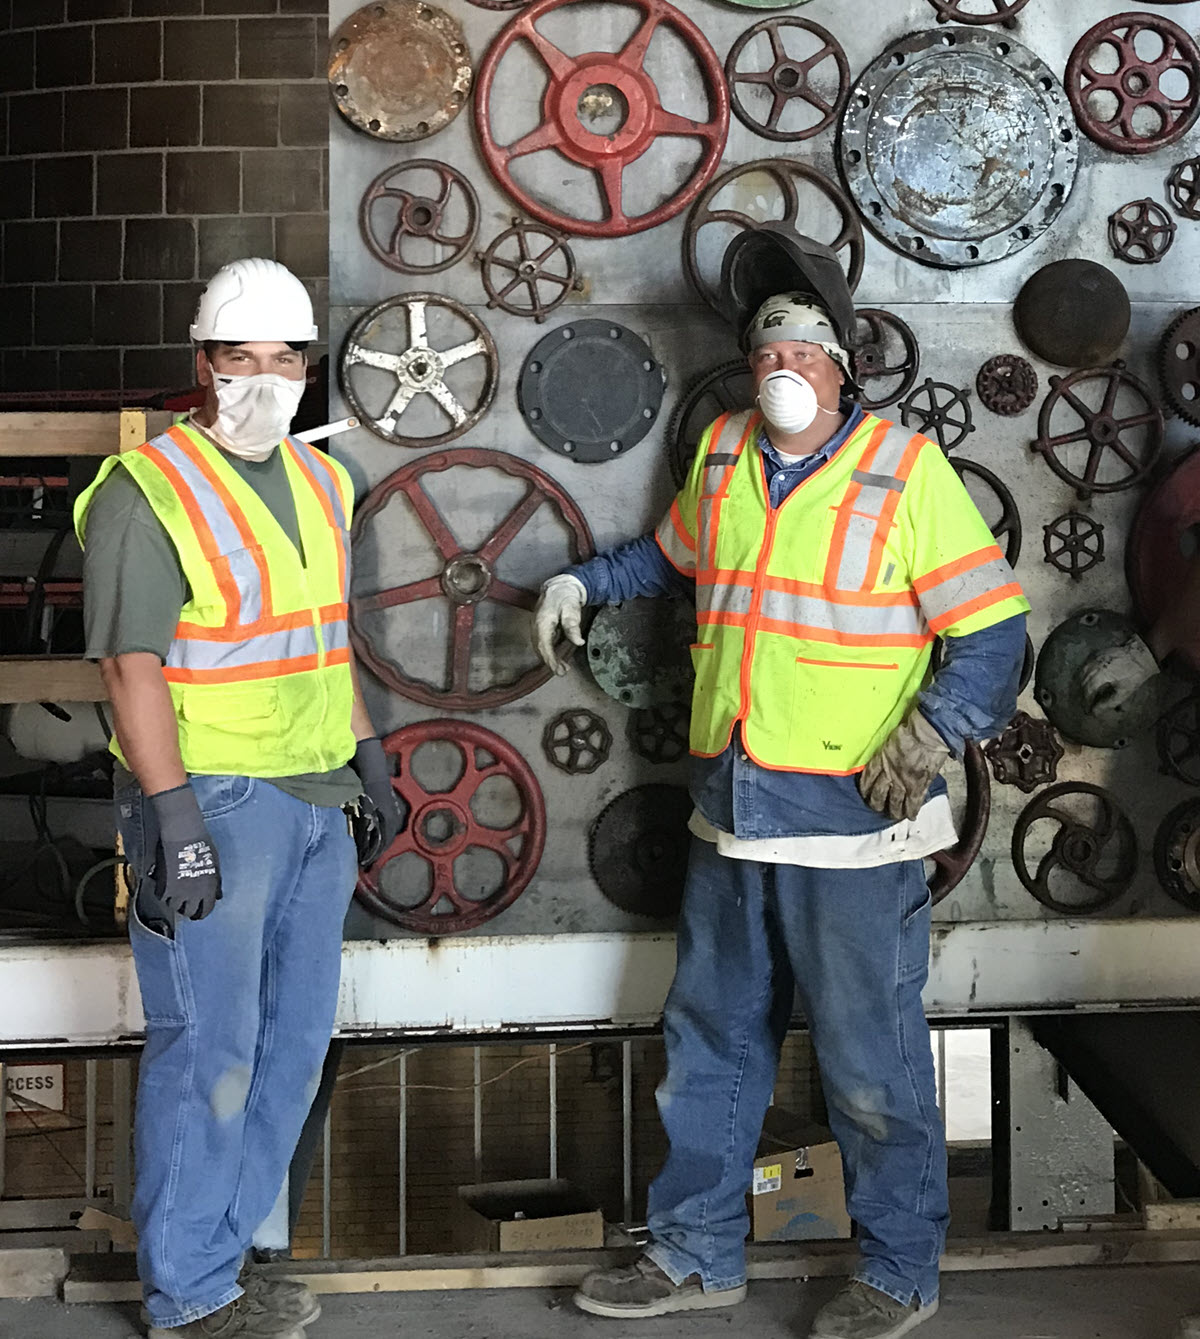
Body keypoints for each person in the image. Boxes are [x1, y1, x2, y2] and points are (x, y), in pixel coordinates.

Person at [532, 232, 1030, 1339]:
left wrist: (937, 731)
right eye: (766, 351)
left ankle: (899, 1271)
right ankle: (695, 1253)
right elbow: (671, 562)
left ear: (842, 366)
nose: (781, 370)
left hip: (854, 831)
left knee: (869, 1068)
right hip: (734, 812)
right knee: (708, 1049)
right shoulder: (719, 457)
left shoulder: (904, 471)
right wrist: (583, 578)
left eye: (803, 351)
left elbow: (996, 639)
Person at [73, 258, 404, 1339]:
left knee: (290, 1043)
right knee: (209, 1045)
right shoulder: (146, 492)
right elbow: (131, 669)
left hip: (316, 800)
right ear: (201, 364)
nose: (264, 379)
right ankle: (186, 1290)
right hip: (214, 799)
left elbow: (324, 637)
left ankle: (221, 1253)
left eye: (284, 358)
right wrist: (173, 819)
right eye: (239, 358)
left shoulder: (324, 480)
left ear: (308, 366)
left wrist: (369, 753)